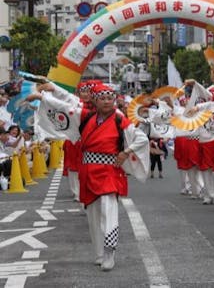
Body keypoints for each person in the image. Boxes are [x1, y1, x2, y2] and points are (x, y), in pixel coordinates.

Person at [27, 83, 149, 271]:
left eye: (110, 98)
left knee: (109, 209)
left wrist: (126, 152)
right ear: (95, 100)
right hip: (88, 170)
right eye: (103, 98)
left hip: (110, 170)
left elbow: (141, 138)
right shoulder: (86, 115)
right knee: (92, 215)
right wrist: (42, 98)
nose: (107, 102)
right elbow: (65, 108)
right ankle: (100, 253)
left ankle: (110, 250)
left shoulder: (119, 118)